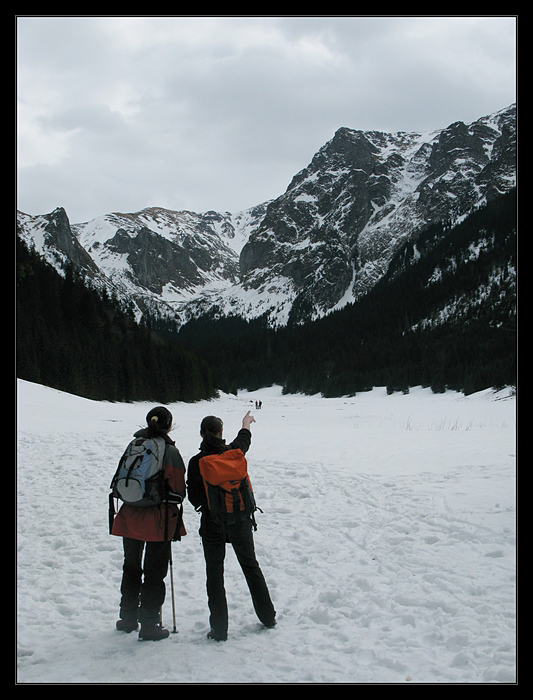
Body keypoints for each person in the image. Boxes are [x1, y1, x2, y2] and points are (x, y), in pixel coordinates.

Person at [187, 410, 276, 641]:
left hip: (212, 523)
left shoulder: (196, 462)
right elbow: (244, 439)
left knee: (215, 574)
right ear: (221, 432)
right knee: (250, 566)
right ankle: (268, 617)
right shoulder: (234, 453)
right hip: (240, 520)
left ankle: (219, 629)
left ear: (201, 434)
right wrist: (246, 423)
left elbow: (194, 497)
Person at [111, 406, 187, 641]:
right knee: (155, 572)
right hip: (158, 519)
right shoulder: (169, 449)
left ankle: (127, 618)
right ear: (168, 425)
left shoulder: (135, 444)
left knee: (131, 566)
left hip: (129, 515)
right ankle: (149, 623)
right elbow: (177, 489)